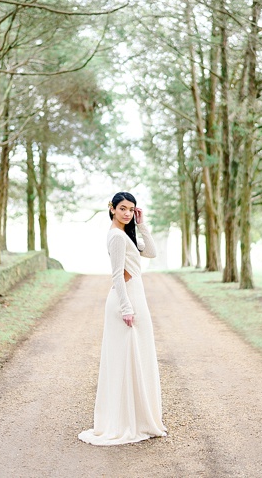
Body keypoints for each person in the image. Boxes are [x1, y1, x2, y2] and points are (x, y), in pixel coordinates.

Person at [78, 191, 167, 446]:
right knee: (125, 359)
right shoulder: (116, 236)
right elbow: (117, 276)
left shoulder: (127, 233)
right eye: (123, 209)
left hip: (137, 296)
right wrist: (126, 308)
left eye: (131, 209)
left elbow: (150, 252)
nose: (127, 213)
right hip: (125, 301)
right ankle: (124, 421)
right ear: (113, 209)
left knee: (139, 356)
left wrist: (142, 225)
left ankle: (139, 418)